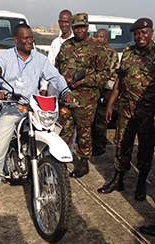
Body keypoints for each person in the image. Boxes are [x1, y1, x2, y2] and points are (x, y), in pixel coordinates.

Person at [0, 24, 73, 206]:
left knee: (51, 133)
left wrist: (66, 91)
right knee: (0, 147)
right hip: (11, 106)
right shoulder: (5, 57)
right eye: (25, 38)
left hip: (34, 106)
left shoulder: (40, 59)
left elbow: (55, 76)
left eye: (31, 38)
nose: (30, 41)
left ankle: (49, 174)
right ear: (16, 40)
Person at [98, 18, 155, 202]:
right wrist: (109, 106)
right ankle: (118, 179)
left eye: (144, 32)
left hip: (148, 113)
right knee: (122, 145)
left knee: (145, 149)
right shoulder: (129, 53)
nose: (140, 36)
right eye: (137, 33)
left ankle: (141, 182)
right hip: (125, 110)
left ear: (151, 32)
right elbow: (119, 81)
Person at [55, 13, 116, 178]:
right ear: (72, 28)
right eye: (76, 27)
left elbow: (104, 73)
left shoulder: (97, 47)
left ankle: (83, 162)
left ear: (87, 27)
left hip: (86, 98)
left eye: (82, 26)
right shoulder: (66, 46)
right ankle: (62, 159)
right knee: (64, 129)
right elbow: (56, 66)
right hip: (66, 96)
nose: (79, 30)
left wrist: (84, 81)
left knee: (83, 130)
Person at [90, 28, 118, 156]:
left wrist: (108, 90)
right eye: (97, 37)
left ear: (106, 38)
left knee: (100, 118)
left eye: (102, 37)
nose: (99, 39)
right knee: (90, 118)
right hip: (93, 89)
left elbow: (113, 74)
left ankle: (100, 145)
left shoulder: (111, 53)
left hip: (104, 89)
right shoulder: (93, 50)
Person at [41, 10, 73, 96]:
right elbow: (48, 65)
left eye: (66, 22)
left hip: (70, 86)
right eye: (61, 22)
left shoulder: (75, 42)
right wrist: (44, 87)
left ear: (71, 22)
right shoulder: (55, 43)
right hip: (54, 86)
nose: (63, 24)